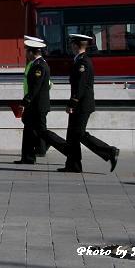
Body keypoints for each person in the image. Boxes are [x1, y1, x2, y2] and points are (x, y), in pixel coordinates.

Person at [58, 34, 120, 173]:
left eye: (71, 44)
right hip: (80, 103)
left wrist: (72, 104)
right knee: (72, 135)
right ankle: (73, 165)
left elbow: (80, 86)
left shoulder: (83, 62)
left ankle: (109, 151)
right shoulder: (80, 60)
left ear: (75, 45)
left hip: (82, 104)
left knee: (79, 133)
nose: (70, 46)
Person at [14, 36, 62, 164]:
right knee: (29, 130)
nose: (26, 54)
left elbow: (36, 87)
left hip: (37, 105)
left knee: (41, 131)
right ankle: (28, 157)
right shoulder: (35, 64)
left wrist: (26, 101)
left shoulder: (39, 66)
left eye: (27, 52)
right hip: (33, 104)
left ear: (31, 52)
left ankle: (65, 147)